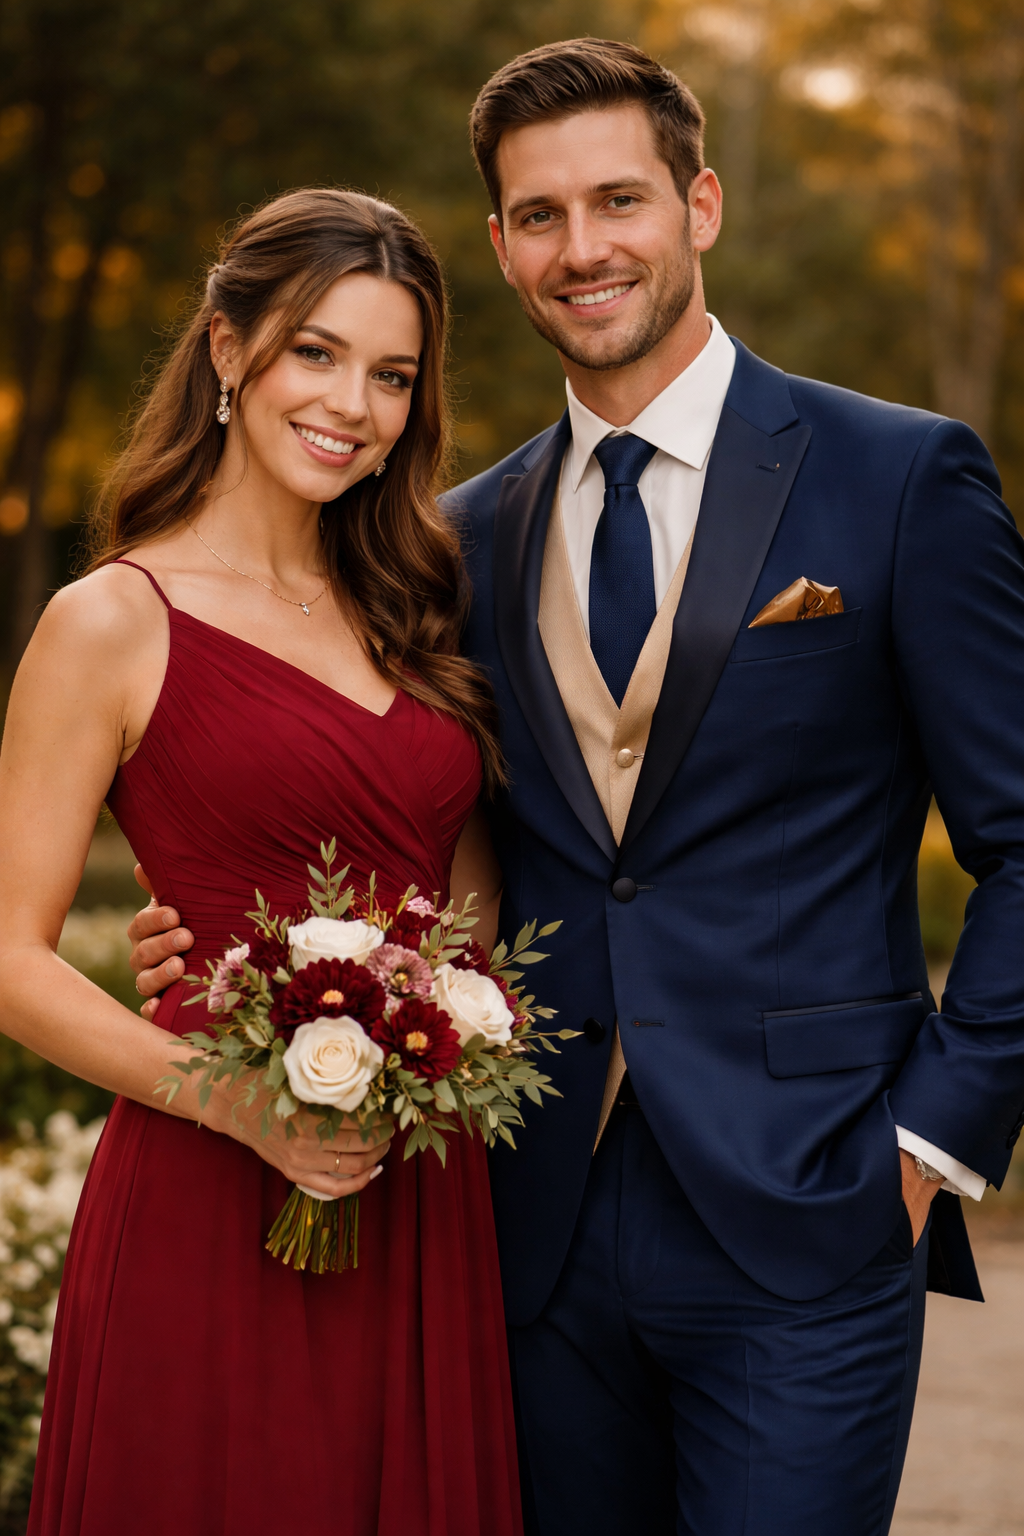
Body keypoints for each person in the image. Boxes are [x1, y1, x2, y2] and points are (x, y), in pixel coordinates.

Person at [128, 37, 1024, 1536]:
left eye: (620, 200)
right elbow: (407, 822)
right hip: (521, 1225)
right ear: (500, 246)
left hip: (810, 1214)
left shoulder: (899, 477)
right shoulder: (456, 540)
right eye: (539, 215)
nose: (582, 247)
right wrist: (219, 940)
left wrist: (929, 1145)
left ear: (700, 206)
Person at [0, 188, 523, 1536]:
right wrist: (238, 1105)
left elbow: (464, 899)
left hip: (417, 1178)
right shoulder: (110, 621)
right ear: (229, 347)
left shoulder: (416, 604)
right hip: (208, 1169)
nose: (353, 403)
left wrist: (449, 1029)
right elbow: (9, 957)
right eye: (317, 352)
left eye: (392, 374)